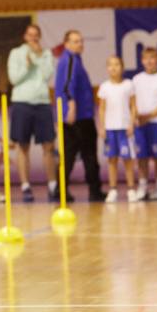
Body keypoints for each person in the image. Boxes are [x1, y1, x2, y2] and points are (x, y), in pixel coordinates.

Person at [6, 24, 55, 202]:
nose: (33, 38)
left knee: (48, 145)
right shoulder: (16, 53)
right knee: (23, 146)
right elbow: (14, 79)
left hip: (42, 102)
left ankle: (52, 185)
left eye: (36, 35)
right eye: (30, 35)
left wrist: (39, 57)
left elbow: (47, 75)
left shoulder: (46, 53)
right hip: (22, 102)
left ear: (39, 37)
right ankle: (25, 186)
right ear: (25, 36)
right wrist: (26, 66)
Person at [54, 30, 103, 202]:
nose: (80, 44)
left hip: (80, 115)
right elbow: (67, 85)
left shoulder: (74, 60)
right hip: (78, 116)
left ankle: (61, 190)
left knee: (71, 155)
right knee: (87, 155)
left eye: (81, 41)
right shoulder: (70, 60)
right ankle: (93, 190)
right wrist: (71, 106)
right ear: (66, 44)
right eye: (75, 41)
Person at [131, 48, 157, 201]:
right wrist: (135, 116)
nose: (149, 61)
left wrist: (148, 117)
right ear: (142, 61)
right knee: (142, 156)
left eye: (152, 58)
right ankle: (143, 186)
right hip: (140, 124)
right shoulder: (136, 79)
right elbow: (133, 102)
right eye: (146, 58)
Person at [97, 56, 137, 203]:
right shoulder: (104, 87)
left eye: (117, 64)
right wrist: (102, 127)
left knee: (127, 160)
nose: (114, 68)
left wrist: (131, 124)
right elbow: (102, 109)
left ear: (122, 67)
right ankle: (113, 189)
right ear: (107, 68)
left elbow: (133, 106)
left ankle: (131, 189)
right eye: (110, 65)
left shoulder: (128, 85)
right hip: (110, 128)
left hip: (124, 128)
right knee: (112, 160)